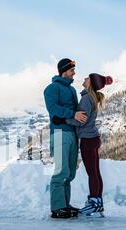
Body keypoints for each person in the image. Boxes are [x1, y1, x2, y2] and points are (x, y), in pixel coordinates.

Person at [53, 73, 113, 217]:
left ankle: (94, 204)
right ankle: (97, 202)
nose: (85, 78)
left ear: (91, 83)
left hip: (88, 139)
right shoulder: (90, 97)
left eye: (88, 78)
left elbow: (81, 120)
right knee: (95, 172)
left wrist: (63, 120)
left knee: (92, 172)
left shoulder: (86, 98)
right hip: (93, 138)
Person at [44, 59, 88, 219]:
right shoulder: (52, 88)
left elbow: (77, 110)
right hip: (60, 133)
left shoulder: (72, 90)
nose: (74, 73)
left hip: (72, 134)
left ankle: (65, 205)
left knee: (69, 173)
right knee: (61, 171)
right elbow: (53, 108)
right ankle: (57, 208)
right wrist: (72, 115)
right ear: (63, 71)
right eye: (71, 70)